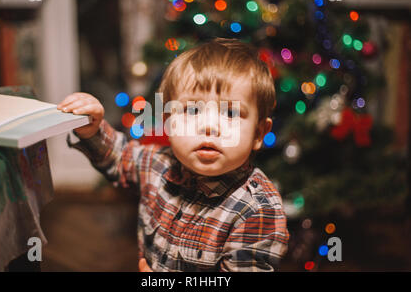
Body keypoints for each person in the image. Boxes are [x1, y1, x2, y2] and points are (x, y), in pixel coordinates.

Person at [58, 38, 289, 272]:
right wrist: (92, 129)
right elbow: (117, 156)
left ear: (259, 133)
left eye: (230, 112)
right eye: (192, 110)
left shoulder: (257, 210)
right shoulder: (157, 164)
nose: (209, 126)